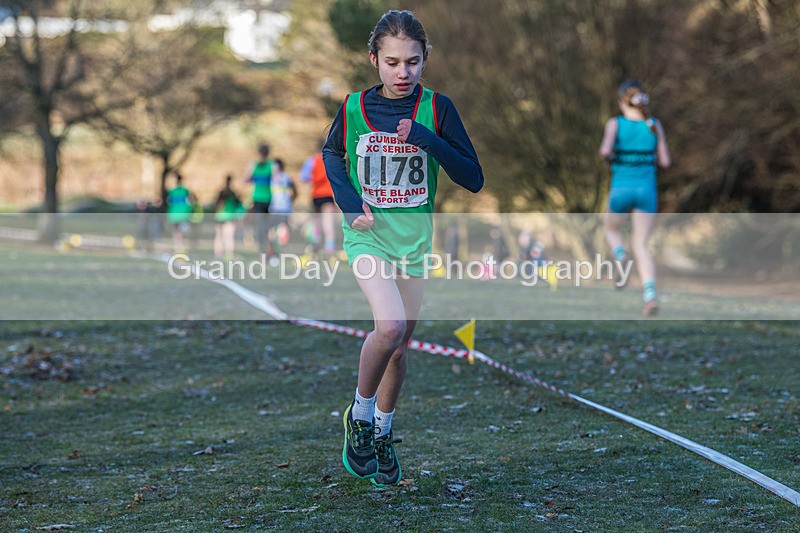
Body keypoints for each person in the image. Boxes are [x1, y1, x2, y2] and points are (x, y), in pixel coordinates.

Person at [323, 10, 484, 487]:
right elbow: (332, 153)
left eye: (412, 62)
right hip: (368, 236)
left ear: (425, 59)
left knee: (398, 349)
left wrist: (425, 138)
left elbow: (473, 178)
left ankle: (382, 433)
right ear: (373, 59)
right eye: (392, 62)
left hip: (413, 244)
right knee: (388, 326)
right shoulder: (354, 107)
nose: (402, 73)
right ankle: (359, 415)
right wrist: (350, 206)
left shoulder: (438, 108)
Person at [599, 79, 671, 317]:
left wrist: (615, 159)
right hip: (646, 190)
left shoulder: (615, 123)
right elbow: (665, 162)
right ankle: (650, 295)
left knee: (611, 230)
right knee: (642, 245)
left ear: (622, 102)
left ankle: (620, 255)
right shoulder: (654, 124)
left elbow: (605, 151)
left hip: (621, 187)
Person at [300, 140, 340, 256]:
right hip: (328, 195)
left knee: (315, 223)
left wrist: (314, 179)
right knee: (328, 223)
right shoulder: (329, 160)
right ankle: (329, 248)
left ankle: (315, 246)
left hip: (316, 195)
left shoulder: (311, 160)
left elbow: (303, 177)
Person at [246, 142, 276, 259]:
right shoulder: (272, 165)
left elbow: (245, 179)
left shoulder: (253, 165)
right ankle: (269, 250)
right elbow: (277, 181)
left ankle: (264, 250)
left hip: (258, 199)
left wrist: (256, 179)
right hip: (269, 199)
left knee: (260, 226)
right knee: (268, 227)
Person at [268, 158, 297, 258]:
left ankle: (279, 252)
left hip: (283, 208)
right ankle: (273, 251)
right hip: (274, 208)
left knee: (281, 231)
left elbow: (293, 190)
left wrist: (290, 201)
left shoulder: (285, 177)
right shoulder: (271, 178)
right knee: (272, 231)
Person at [214, 174, 245, 258]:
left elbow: (217, 204)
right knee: (228, 237)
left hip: (222, 216)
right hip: (228, 217)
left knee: (221, 236)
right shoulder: (232, 194)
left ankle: (219, 253)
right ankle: (227, 253)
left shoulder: (225, 193)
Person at [166, 172, 194, 254]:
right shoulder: (185, 191)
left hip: (174, 214)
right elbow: (189, 202)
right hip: (183, 214)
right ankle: (181, 247)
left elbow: (169, 202)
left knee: (176, 231)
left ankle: (177, 247)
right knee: (182, 232)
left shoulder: (172, 191)